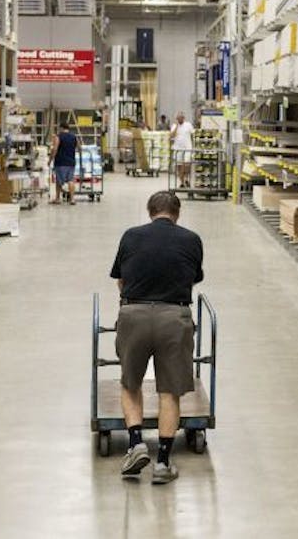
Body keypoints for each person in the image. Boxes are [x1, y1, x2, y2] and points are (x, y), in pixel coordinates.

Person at [109, 190, 204, 484]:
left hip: (133, 314)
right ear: (177, 213)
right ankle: (162, 462)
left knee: (130, 383)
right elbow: (192, 277)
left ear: (150, 211)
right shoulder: (191, 239)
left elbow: (121, 281)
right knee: (168, 392)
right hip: (174, 318)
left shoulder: (130, 236)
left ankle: (136, 443)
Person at [50, 123, 78, 203]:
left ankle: (57, 199)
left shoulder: (58, 136)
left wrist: (50, 160)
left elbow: (55, 149)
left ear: (61, 128)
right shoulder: (74, 136)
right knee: (70, 180)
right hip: (71, 162)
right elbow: (79, 147)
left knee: (58, 181)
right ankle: (72, 199)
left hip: (60, 162)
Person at [170, 112, 195, 188]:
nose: (179, 119)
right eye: (177, 118)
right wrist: (177, 126)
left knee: (186, 165)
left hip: (187, 148)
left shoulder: (188, 125)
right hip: (178, 148)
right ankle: (182, 182)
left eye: (180, 118)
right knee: (179, 166)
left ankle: (186, 178)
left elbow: (193, 134)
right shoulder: (174, 126)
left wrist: (193, 146)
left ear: (183, 118)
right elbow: (171, 135)